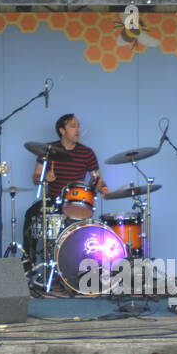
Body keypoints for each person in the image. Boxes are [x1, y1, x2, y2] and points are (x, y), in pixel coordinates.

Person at [23, 113, 109, 264]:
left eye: (78, 126)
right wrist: (44, 178)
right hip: (53, 202)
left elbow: (97, 178)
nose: (78, 129)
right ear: (62, 131)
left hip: (76, 203)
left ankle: (81, 268)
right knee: (30, 214)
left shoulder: (87, 153)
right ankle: (28, 262)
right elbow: (35, 178)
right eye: (73, 126)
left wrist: (104, 188)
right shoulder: (48, 150)